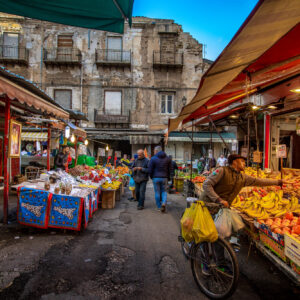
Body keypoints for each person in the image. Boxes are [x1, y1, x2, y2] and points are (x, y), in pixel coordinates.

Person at [202, 154, 290, 273]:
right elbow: (206, 184)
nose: (244, 163)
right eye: (242, 161)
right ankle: (205, 262)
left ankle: (220, 263)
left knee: (220, 236)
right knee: (205, 235)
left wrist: (278, 181)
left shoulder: (242, 177)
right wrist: (218, 199)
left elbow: (259, 181)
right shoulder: (221, 171)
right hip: (208, 206)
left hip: (221, 209)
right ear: (234, 162)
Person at [148, 146, 172, 213]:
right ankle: (163, 203)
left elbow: (150, 169)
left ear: (156, 151)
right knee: (164, 191)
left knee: (157, 192)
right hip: (165, 178)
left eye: (154, 151)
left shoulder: (153, 159)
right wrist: (169, 177)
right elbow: (170, 169)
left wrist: (151, 176)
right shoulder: (168, 159)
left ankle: (159, 207)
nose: (154, 152)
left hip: (156, 178)